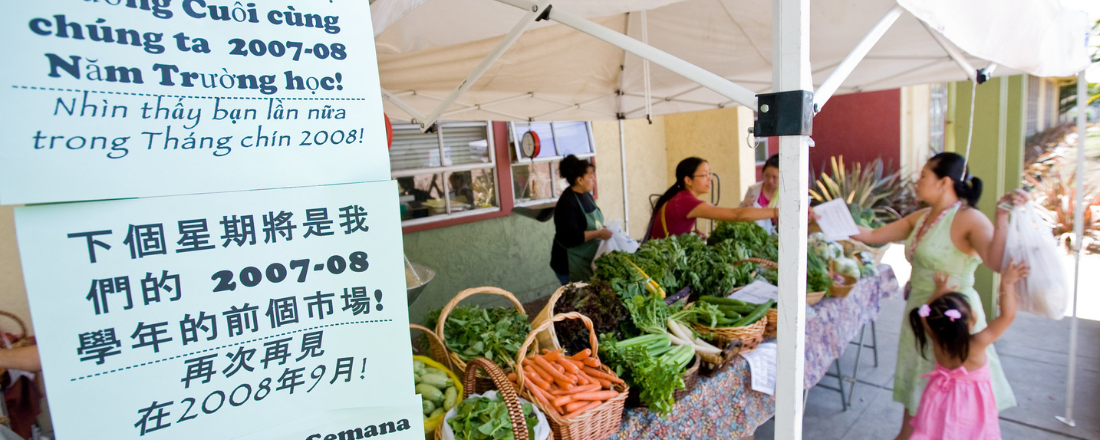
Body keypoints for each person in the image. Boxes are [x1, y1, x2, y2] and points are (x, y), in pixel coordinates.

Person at [848, 152, 1026, 440]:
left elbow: (995, 261)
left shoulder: (969, 218)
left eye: (923, 176)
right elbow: (871, 234)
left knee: (955, 407)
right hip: (920, 318)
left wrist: (1001, 216)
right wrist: (824, 218)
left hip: (952, 321)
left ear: (944, 182)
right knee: (918, 403)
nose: (917, 182)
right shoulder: (921, 218)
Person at [907, 262, 1028, 439]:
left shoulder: (936, 337)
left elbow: (925, 314)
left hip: (939, 401)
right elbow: (1007, 316)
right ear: (971, 320)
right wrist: (1007, 282)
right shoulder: (976, 344)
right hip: (970, 406)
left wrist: (939, 291)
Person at [646, 157, 787, 240]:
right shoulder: (686, 202)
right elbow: (736, 215)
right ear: (688, 180)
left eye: (710, 174)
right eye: (704, 175)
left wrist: (688, 234)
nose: (710, 179)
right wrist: (778, 212)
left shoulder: (680, 198)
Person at [551, 155, 611, 284]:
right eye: (590, 176)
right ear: (580, 180)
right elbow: (571, 237)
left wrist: (602, 229)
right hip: (568, 264)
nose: (594, 179)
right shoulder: (567, 203)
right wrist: (599, 233)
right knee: (574, 301)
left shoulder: (586, 195)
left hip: (585, 259)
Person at [740, 153, 780, 233]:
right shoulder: (753, 190)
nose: (770, 180)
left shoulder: (787, 194)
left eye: (774, 177)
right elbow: (740, 213)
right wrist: (744, 205)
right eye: (767, 176)